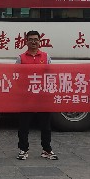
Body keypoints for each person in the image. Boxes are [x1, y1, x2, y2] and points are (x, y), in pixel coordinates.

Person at [16, 30, 58, 161]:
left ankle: (47, 149)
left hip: (42, 96)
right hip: (26, 96)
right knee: (24, 125)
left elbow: (51, 75)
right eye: (31, 39)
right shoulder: (21, 58)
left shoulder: (46, 57)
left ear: (40, 42)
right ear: (26, 42)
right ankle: (23, 149)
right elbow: (16, 76)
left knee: (45, 125)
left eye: (36, 39)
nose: (33, 42)